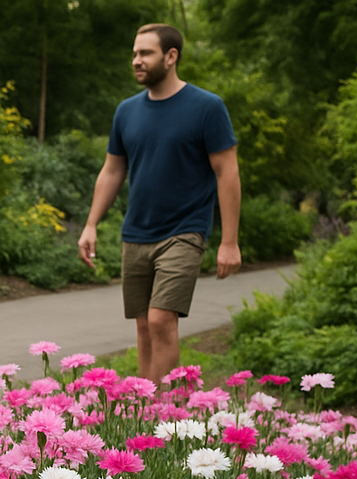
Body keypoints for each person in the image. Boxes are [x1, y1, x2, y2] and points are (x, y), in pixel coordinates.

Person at [77, 23, 241, 385]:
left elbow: (227, 172)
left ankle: (169, 415)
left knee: (160, 319)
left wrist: (229, 242)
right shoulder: (127, 111)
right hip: (136, 232)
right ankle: (147, 408)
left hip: (184, 230)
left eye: (145, 53)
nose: (136, 61)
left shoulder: (207, 107)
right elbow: (112, 170)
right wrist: (91, 224)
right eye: (134, 53)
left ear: (171, 56)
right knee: (142, 325)